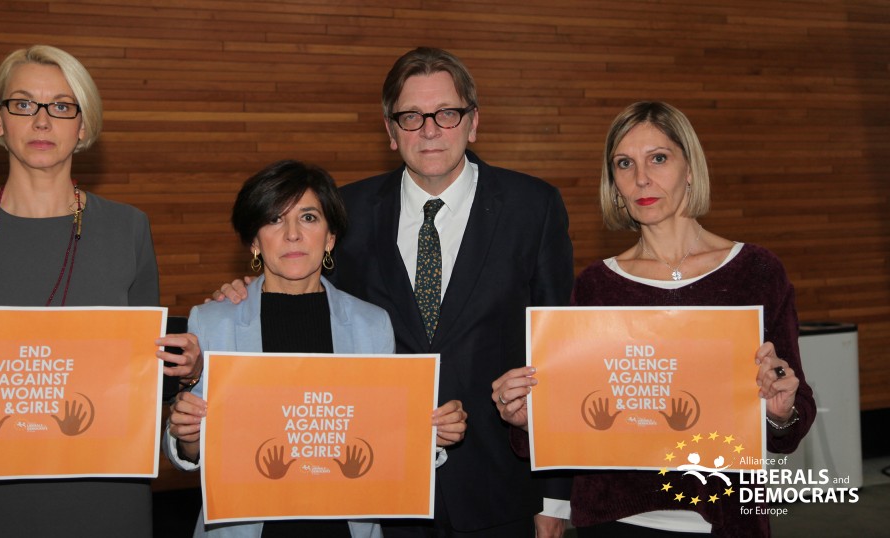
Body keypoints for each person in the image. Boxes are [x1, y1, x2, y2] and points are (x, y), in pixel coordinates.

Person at [214, 48, 574, 537]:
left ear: (472, 123)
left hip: (499, 490)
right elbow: (312, 312)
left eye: (446, 113)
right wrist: (248, 293)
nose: (429, 130)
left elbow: (556, 353)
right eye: (411, 117)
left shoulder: (533, 207)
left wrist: (555, 498)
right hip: (379, 492)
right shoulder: (348, 212)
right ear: (390, 130)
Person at [0, 45, 202, 537]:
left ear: (83, 125)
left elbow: (144, 377)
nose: (43, 121)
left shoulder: (128, 228)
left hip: (105, 487)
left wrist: (186, 371)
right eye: (24, 104)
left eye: (62, 106)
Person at [492, 101, 816, 537]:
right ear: (614, 184)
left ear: (689, 168)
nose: (641, 178)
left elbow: (790, 426)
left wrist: (780, 410)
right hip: (614, 520)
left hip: (726, 518)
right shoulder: (596, 285)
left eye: (658, 159)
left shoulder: (757, 272)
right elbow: (569, 426)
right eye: (624, 164)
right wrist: (526, 418)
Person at [166, 159, 468, 537]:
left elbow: (385, 440)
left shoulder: (371, 325)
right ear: (255, 241)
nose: (293, 234)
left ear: (329, 237)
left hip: (345, 526)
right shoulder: (213, 321)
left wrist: (433, 434)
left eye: (308, 218)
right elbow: (186, 451)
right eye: (275, 219)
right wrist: (188, 437)